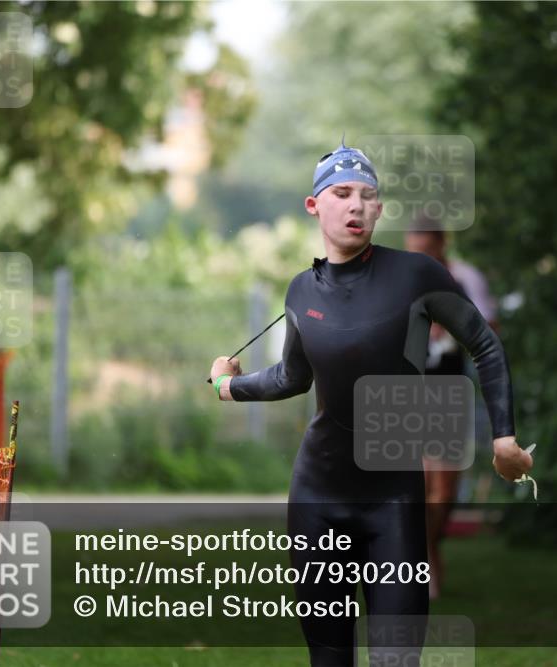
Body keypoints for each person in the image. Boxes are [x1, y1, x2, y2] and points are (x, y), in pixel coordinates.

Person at [210, 139, 532, 666]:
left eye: (368, 196)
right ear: (315, 205)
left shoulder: (416, 276)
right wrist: (228, 385)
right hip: (317, 497)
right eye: (342, 193)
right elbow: (292, 377)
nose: (356, 205)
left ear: (379, 208)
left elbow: (485, 344)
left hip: (394, 502)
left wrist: (503, 439)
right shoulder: (300, 292)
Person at [404, 217, 499, 600]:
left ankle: (431, 547)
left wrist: (450, 327)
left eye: (427, 252)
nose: (420, 260)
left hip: (447, 391)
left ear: (442, 245)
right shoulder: (397, 282)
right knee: (416, 484)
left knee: (443, 490)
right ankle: (423, 559)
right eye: (415, 252)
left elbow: (489, 333)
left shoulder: (465, 280)